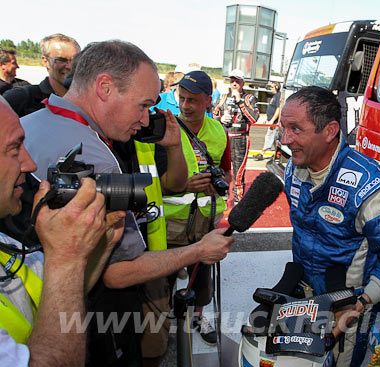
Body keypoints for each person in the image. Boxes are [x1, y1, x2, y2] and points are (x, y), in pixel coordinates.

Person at [20, 40, 234, 366]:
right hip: (83, 320)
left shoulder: (27, 125)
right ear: (105, 87)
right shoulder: (94, 157)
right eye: (143, 105)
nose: (147, 120)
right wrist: (198, 251)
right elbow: (117, 274)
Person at [280, 86, 380, 367]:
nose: (285, 139)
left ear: (330, 131)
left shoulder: (372, 188)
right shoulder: (293, 169)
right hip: (305, 301)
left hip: (350, 308)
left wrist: (360, 303)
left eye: (296, 129)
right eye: (283, 128)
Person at [0, 96, 125, 366]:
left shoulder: (5, 243)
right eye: (13, 149)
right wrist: (66, 257)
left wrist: (98, 248)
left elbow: (60, 298)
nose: (30, 164)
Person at [158, 70, 231, 345]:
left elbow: (226, 172)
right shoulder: (168, 129)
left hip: (207, 220)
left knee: (201, 277)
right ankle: (161, 327)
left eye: (193, 100)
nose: (186, 106)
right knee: (162, 279)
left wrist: (218, 183)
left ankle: (198, 317)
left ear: (208, 101)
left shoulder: (218, 131)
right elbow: (155, 180)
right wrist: (185, 185)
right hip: (170, 223)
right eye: (183, 98)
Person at [3, 34, 80, 117]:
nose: (69, 66)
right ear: (45, 61)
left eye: (75, 60)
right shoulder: (22, 98)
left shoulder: (86, 102)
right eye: (61, 60)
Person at [213, 69, 259, 203]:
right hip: (224, 138)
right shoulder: (222, 97)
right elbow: (213, 115)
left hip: (241, 138)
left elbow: (254, 118)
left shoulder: (249, 98)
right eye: (232, 80)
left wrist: (239, 101)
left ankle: (238, 201)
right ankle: (222, 197)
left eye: (237, 80)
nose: (234, 83)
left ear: (243, 82)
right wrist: (221, 119)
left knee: (239, 173)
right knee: (221, 170)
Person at [254, 82, 281, 161]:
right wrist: (267, 119)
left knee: (269, 136)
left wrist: (272, 120)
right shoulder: (275, 96)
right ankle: (277, 154)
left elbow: (278, 109)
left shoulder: (278, 96)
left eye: (272, 87)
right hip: (271, 121)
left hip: (274, 122)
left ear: (276, 87)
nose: (271, 89)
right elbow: (271, 108)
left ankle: (262, 153)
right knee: (274, 139)